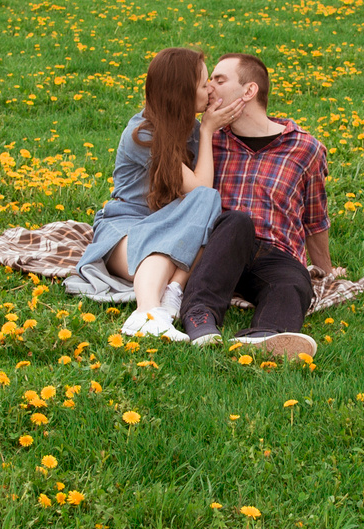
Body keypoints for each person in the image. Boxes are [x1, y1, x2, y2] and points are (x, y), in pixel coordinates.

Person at [79, 47, 240, 337]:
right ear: (182, 92)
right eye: (204, 85)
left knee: (207, 227)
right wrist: (207, 132)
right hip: (127, 226)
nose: (210, 90)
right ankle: (148, 311)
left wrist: (202, 130)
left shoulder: (186, 127)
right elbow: (200, 190)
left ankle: (172, 293)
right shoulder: (142, 134)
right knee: (169, 241)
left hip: (172, 225)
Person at [181, 51, 329, 358]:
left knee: (294, 282)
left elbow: (315, 218)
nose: (209, 88)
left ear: (249, 91)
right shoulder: (206, 139)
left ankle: (266, 335)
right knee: (238, 221)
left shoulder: (305, 148)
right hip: (222, 246)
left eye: (219, 80)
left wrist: (325, 272)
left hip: (276, 253)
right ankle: (201, 317)